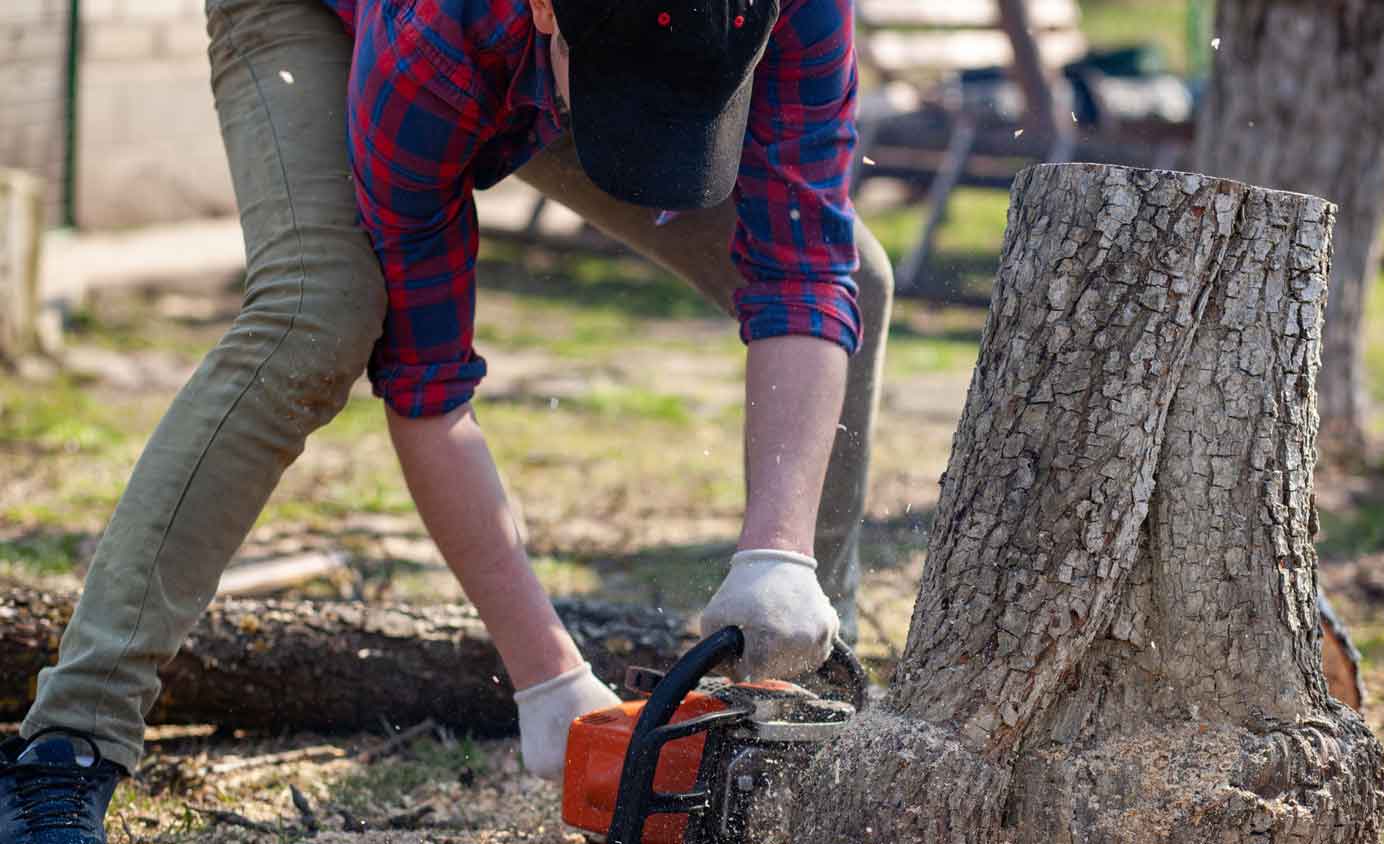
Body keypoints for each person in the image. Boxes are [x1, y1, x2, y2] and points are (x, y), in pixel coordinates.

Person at [0, 0, 893, 840]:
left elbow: (803, 274)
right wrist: (548, 677)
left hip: (551, 53)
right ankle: (72, 734)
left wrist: (777, 556)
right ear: (549, 12)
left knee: (856, 270)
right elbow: (430, 389)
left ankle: (796, 687)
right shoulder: (435, 44)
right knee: (322, 310)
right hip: (341, 22)